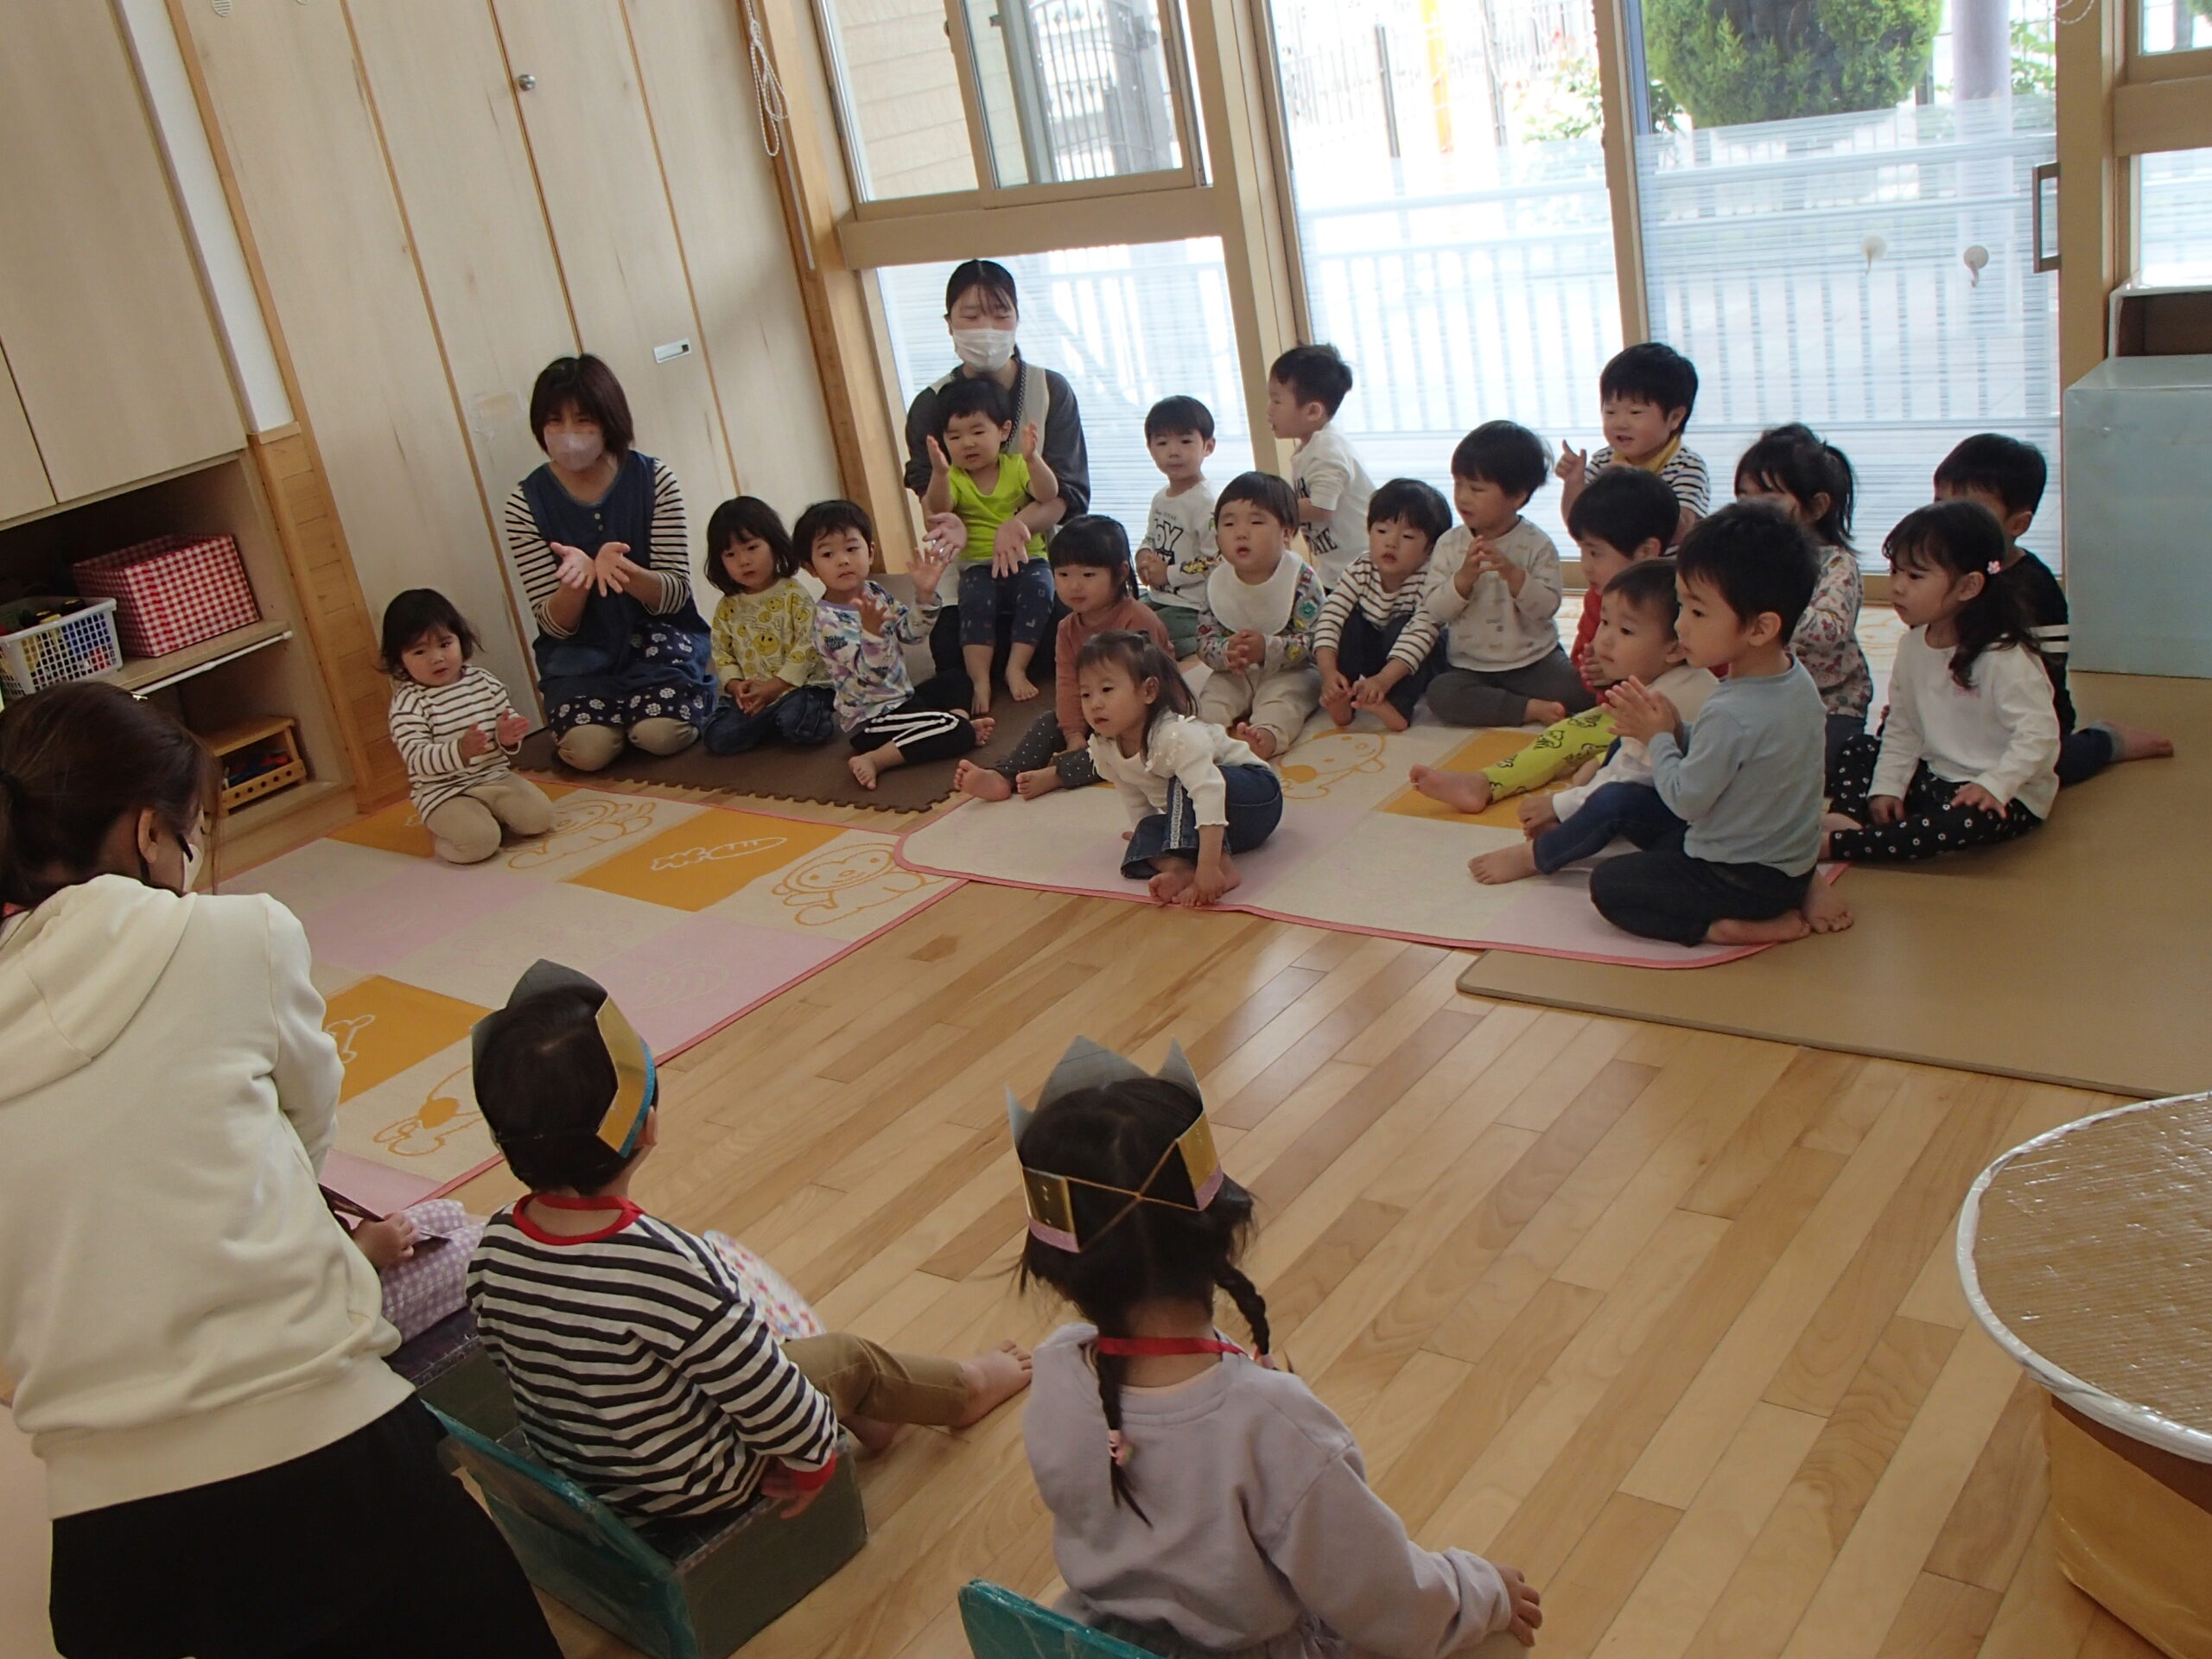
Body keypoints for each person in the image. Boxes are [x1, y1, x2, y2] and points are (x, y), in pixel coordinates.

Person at [0, 681, 560, 1659]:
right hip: (324, 1455)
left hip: (108, 1540)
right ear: (148, 833)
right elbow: (302, 1142)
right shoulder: (236, 936)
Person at [1012, 1039, 1543, 1658]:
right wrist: (1481, 1587)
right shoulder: (1275, 1424)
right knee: (1498, 1642)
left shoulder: (1057, 1368)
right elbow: (1390, 1603)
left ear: (1057, 1273)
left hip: (1095, 1643)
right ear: (1226, 1233)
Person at [466, 962, 1032, 1522]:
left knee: (720, 1348)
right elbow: (769, 1393)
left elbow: (508, 1355)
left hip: (591, 1471)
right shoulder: (668, 1266)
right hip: (699, 1483)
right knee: (847, 1359)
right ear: (649, 1127)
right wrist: (814, 1461)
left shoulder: (494, 1246)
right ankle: (968, 1389)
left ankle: (875, 1418)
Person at [1591, 502, 1847, 947]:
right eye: (1682, 605)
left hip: (1739, 879)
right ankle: (1805, 886)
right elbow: (1745, 759)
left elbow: (1686, 801)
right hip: (1790, 863)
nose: (1680, 625)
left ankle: (1723, 928)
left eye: (1698, 612)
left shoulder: (1730, 709)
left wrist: (1659, 739)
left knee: (1610, 885)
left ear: (1760, 628)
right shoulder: (1796, 679)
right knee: (1639, 817)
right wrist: (1678, 731)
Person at [1410, 463, 1676, 813]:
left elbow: (1706, 668)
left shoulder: (1679, 597)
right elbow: (1586, 662)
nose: (1585, 565)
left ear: (1645, 551)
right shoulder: (1599, 597)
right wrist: (1600, 675)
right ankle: (1485, 783)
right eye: (1582, 551)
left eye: (1595, 553)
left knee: (1605, 749)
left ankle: (1589, 777)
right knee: (1559, 735)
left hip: (1669, 723)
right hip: (1605, 709)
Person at [501, 353, 716, 772]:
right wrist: (576, 583)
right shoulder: (524, 503)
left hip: (658, 641)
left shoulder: (654, 479)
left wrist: (625, 573)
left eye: (583, 420)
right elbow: (553, 624)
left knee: (659, 735)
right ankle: (613, 719)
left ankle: (664, 706)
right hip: (578, 655)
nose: (569, 435)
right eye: (555, 422)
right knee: (588, 752)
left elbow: (675, 595)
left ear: (609, 421)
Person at [1823, 502, 2060, 863]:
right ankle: (1851, 822)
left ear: (1969, 586)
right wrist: (1888, 787)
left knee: (1968, 822)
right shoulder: (1912, 645)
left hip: (2001, 792)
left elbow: (2039, 735)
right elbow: (1903, 725)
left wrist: (1994, 784)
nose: (1897, 587)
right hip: (1935, 776)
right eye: (1894, 571)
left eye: (1915, 576)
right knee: (1859, 748)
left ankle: (1841, 844)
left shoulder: (2004, 657)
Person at [1933, 434, 2171, 782]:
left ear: (2017, 524)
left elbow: (2045, 675)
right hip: (1958, 707)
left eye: (1969, 511)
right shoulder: (1937, 574)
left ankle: (2105, 742)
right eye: (1940, 504)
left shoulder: (2032, 587)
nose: (1947, 521)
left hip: (2023, 714)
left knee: (2034, 770)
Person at [903, 260, 1090, 696]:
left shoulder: (1050, 390)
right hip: (970, 564)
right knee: (950, 656)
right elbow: (931, 497)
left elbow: (1068, 492)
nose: (986, 328)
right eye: (971, 316)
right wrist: (949, 522)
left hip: (1043, 558)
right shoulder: (931, 404)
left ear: (1018, 318)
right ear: (949, 324)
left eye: (1000, 314)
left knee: (1065, 644)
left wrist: (1018, 525)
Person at [1467, 559, 1716, 884]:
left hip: (1697, 834)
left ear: (1675, 648)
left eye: (1626, 631)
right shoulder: (1680, 680)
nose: (1606, 640)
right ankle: (1574, 823)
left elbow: (1628, 781)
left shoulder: (1665, 701)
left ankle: (1537, 855)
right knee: (1613, 750)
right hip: (1679, 800)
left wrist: (1559, 805)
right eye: (1605, 623)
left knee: (1613, 801)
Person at [956, 515, 1171, 804]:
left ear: (1120, 573)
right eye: (1064, 575)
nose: (1074, 586)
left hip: (1143, 717)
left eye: (1088, 575)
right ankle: (1004, 775)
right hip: (1096, 710)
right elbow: (1068, 683)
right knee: (1050, 720)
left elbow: (1157, 689)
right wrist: (1074, 734)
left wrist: (1108, 725)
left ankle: (1058, 774)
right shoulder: (1067, 628)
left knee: (1124, 748)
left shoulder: (1139, 620)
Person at [799, 499, 991, 791]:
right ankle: (877, 758)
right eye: (828, 554)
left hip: (903, 698)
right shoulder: (827, 623)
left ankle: (946, 727)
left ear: (870, 551)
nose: (843, 560)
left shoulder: (874, 591)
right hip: (872, 720)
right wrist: (872, 634)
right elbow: (870, 675)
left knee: (955, 678)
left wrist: (925, 596)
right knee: (957, 729)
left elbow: (910, 633)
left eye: (851, 549)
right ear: (811, 568)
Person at [1083, 633, 1283, 908]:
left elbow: (1209, 791)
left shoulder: (1175, 736)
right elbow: (1134, 795)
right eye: (1085, 694)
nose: (1095, 703)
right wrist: (1149, 833)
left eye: (1107, 690)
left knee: (1182, 783)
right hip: (1211, 823)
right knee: (1143, 832)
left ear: (1148, 691)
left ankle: (1222, 867)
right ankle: (1179, 869)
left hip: (1255, 800)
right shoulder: (1104, 746)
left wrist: (1209, 865)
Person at [1420, 421, 1587, 728]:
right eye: (1458, 484)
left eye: (1476, 489)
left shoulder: (1536, 543)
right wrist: (1462, 580)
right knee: (1441, 694)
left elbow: (1546, 608)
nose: (1462, 497)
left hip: (1534, 660)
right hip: (1471, 666)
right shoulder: (1449, 544)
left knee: (1582, 690)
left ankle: (1507, 702)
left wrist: (1514, 575)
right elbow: (1435, 610)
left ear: (1517, 496)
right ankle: (1528, 709)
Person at [381, 588, 554, 865]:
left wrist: (507, 736)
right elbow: (417, 758)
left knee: (540, 818)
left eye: (445, 644)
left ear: (461, 640)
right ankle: (448, 835)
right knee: (478, 844)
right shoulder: (408, 704)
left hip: (495, 778)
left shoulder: (483, 681)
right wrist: (460, 750)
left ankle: (490, 817)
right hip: (445, 794)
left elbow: (504, 721)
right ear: (400, 659)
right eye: (420, 651)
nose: (437, 657)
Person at [1734, 423, 1872, 765]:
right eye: (1743, 497)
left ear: (1816, 507)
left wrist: (1769, 606)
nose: (1751, 509)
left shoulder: (1836, 563)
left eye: (1768, 499)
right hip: (1762, 695)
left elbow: (1830, 630)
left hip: (1830, 703)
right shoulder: (1746, 558)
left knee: (1807, 765)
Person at [924, 376, 1061, 714]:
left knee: (1040, 591)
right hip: (978, 565)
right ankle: (980, 679)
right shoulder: (954, 477)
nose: (967, 443)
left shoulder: (1015, 466)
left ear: (1003, 430)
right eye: (955, 436)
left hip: (1027, 560)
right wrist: (939, 473)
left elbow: (1049, 493)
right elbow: (940, 508)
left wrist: (1033, 459)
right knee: (973, 602)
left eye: (977, 431)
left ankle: (1017, 666)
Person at [1196, 472, 1325, 762]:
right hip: (1236, 671)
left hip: (1291, 669)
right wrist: (1226, 652)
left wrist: (1269, 648)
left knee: (1286, 700)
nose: (1241, 533)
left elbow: (1316, 640)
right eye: (1229, 523)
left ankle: (1265, 737)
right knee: (1213, 697)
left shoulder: (1301, 579)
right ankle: (1202, 738)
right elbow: (1204, 640)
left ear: (1287, 533)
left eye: (1256, 522)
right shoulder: (1218, 582)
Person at [700, 495, 836, 756]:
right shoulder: (727, 607)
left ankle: (777, 720)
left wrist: (775, 687)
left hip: (799, 688)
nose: (743, 560)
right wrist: (736, 686)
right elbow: (722, 652)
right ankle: (769, 720)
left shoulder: (794, 594)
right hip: (754, 695)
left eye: (752, 547)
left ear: (774, 544)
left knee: (799, 719)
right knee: (717, 736)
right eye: (730, 554)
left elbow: (808, 645)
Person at [1314, 478, 1452, 731]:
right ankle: (1342, 694)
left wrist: (1383, 681)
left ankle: (1399, 707)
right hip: (1380, 658)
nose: (1391, 542)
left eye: (1407, 536)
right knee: (1348, 621)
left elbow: (1421, 633)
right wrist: (1328, 672)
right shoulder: (1361, 569)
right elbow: (1330, 616)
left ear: (1430, 549)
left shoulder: (1431, 578)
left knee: (1402, 626)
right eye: (1381, 531)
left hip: (1420, 662)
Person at [1554, 340, 1710, 544]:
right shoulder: (1604, 461)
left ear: (1675, 417)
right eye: (1610, 412)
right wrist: (1573, 482)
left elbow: (1679, 531)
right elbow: (1577, 524)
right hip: (1612, 565)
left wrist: (1633, 486)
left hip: (1666, 565)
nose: (1620, 423)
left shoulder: (1686, 466)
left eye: (1635, 412)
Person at [1267, 344, 1374, 588]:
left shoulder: (1327, 448)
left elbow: (1321, 506)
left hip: (1366, 571)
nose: (1269, 410)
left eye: (1276, 401)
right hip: (1337, 571)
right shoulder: (1310, 449)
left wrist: (1270, 509)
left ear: (1313, 411)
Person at [1135, 395, 1220, 658]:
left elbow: (1216, 562)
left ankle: (1198, 647)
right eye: (1162, 443)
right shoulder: (1161, 498)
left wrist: (1168, 574)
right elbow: (1151, 537)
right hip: (1160, 597)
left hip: (1194, 606)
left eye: (1185, 441)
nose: (1173, 451)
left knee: (1147, 639)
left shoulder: (1206, 502)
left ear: (1208, 446)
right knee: (1118, 620)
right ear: (1150, 449)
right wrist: (1143, 556)